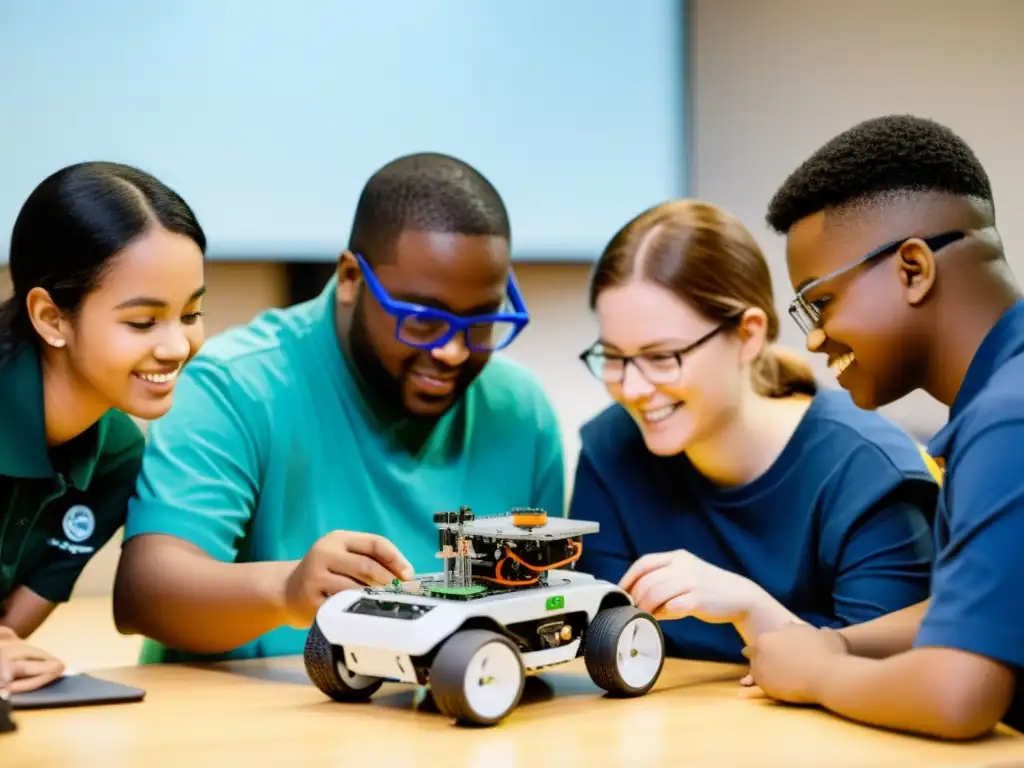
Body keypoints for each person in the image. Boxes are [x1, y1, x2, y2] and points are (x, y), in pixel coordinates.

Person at [113, 152, 565, 662]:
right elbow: (145, 594)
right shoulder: (234, 385)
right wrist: (286, 590)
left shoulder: (522, 413)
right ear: (351, 278)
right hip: (248, 728)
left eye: (480, 323)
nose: (452, 352)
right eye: (420, 320)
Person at [743, 114, 1024, 741]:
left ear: (914, 270)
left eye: (820, 301)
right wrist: (832, 644)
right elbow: (978, 610)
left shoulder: (1008, 420)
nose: (813, 337)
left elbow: (959, 694)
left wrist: (819, 676)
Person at [570, 199, 941, 665]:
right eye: (614, 357)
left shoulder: (868, 476)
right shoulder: (610, 450)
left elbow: (886, 671)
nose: (632, 388)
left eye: (662, 356)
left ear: (747, 335)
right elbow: (601, 638)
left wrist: (751, 609)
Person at [0, 161, 207, 691]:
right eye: (142, 321)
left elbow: (6, 647)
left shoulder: (116, 457)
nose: (176, 347)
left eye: (189, 314)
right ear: (51, 317)